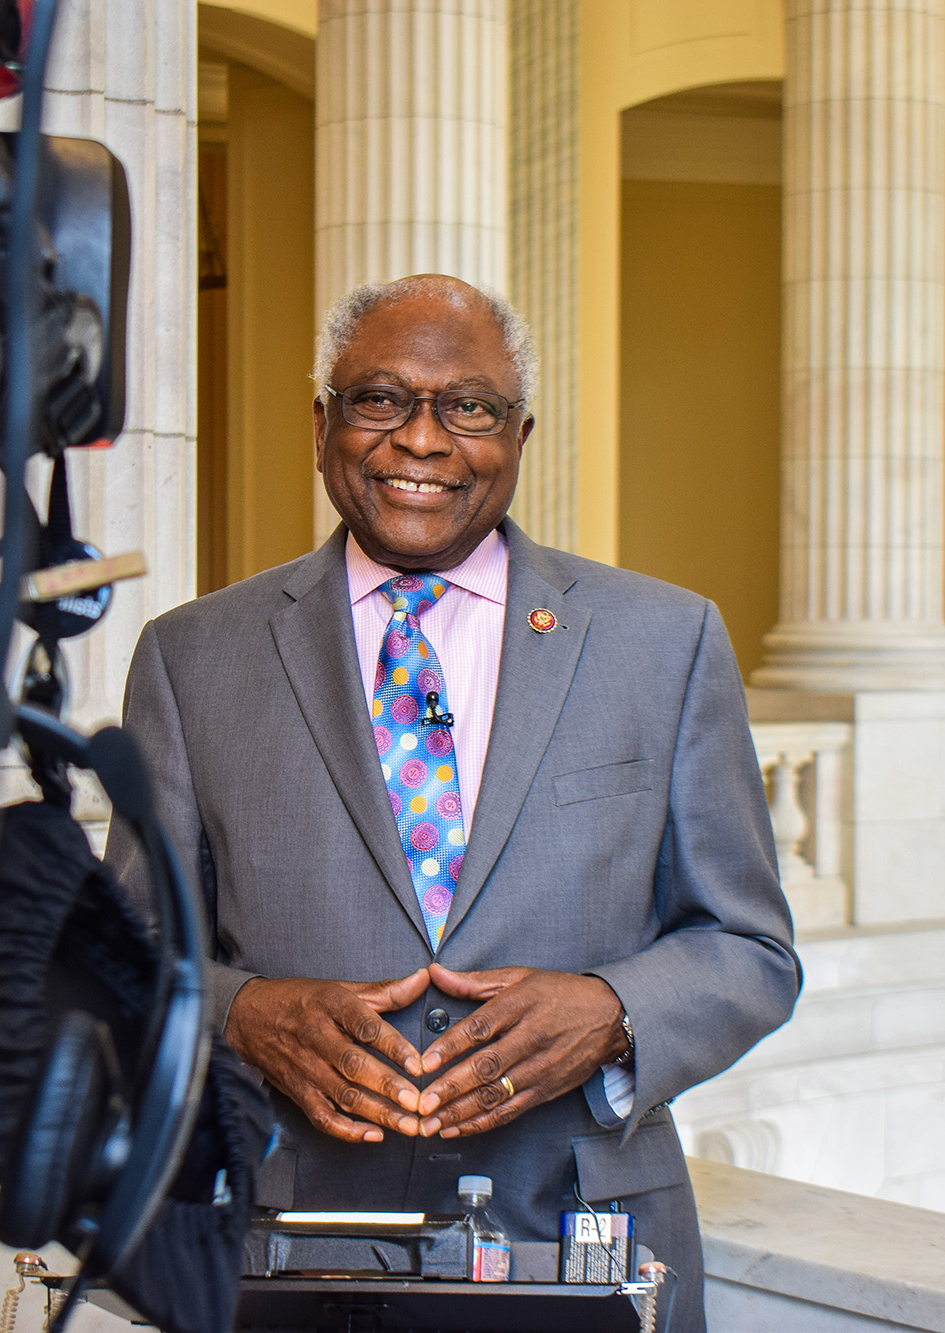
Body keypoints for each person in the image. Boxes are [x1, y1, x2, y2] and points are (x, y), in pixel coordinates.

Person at [105, 274, 800, 1331]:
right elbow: (124, 956)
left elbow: (750, 949)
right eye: (379, 400)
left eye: (466, 407)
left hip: (582, 1247)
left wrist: (612, 1013)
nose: (419, 441)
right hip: (286, 1252)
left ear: (518, 435)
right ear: (323, 424)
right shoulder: (192, 657)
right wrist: (243, 1015)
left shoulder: (666, 643)